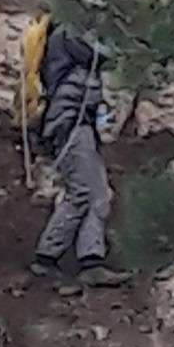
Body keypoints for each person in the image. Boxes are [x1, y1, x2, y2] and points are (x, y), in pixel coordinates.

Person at [30, 26, 128, 288]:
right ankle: (48, 257)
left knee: (97, 194)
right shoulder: (67, 31)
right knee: (84, 192)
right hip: (71, 126)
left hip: (77, 126)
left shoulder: (66, 34)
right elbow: (98, 53)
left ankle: (90, 260)